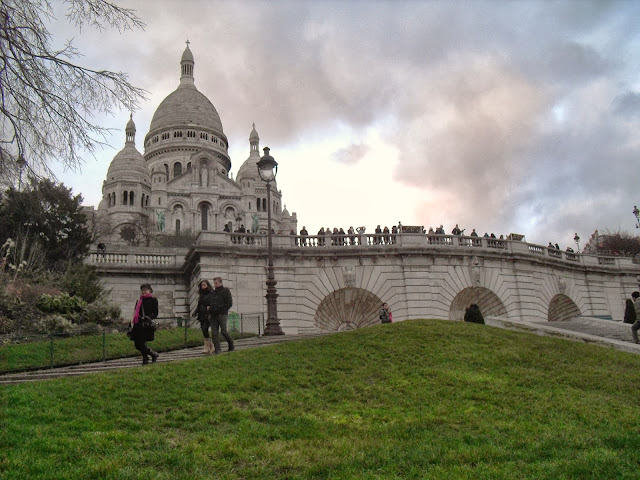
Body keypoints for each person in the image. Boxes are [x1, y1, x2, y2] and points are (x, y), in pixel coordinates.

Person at [129, 283, 159, 365]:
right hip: (138, 325)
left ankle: (145, 359)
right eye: (142, 290)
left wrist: (148, 317)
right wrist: (130, 325)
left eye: (146, 289)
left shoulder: (153, 300)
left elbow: (155, 314)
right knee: (137, 345)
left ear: (150, 290)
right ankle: (153, 354)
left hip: (146, 325)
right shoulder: (139, 301)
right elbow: (135, 313)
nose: (144, 291)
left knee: (142, 342)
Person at [208, 277, 235, 353]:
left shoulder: (225, 291)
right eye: (214, 283)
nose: (215, 285)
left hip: (222, 314)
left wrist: (222, 309)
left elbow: (229, 303)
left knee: (224, 331)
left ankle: (230, 342)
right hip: (213, 314)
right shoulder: (213, 293)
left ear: (220, 282)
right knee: (214, 332)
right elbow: (210, 302)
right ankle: (217, 348)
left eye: (216, 283)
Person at [192, 279, 215, 354]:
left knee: (205, 328)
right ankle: (210, 346)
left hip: (208, 314)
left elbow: (213, 302)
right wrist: (195, 312)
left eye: (204, 285)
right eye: (202, 285)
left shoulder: (211, 293)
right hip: (201, 314)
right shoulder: (201, 295)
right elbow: (199, 305)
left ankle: (209, 346)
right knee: (203, 330)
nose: (203, 286)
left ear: (207, 285)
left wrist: (210, 307)